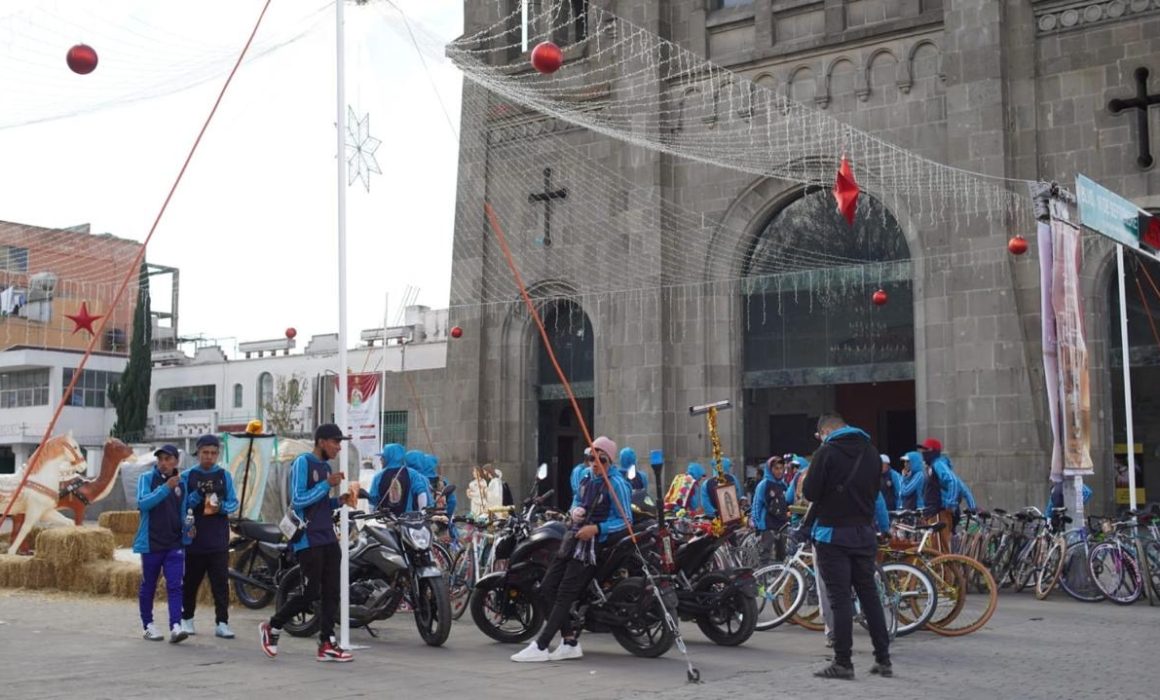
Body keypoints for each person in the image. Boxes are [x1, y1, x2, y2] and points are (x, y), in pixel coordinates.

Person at [511, 436, 631, 663]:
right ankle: (569, 641)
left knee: (566, 593)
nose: (595, 464)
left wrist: (596, 528)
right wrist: (575, 510)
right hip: (571, 538)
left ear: (610, 462)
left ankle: (542, 644)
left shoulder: (617, 484)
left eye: (601, 459)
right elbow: (577, 499)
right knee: (546, 588)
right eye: (591, 458)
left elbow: (626, 520)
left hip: (592, 547)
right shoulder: (586, 477)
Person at [802, 413, 892, 680]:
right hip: (864, 534)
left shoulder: (826, 452)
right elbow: (875, 494)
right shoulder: (872, 452)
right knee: (869, 596)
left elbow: (810, 493)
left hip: (833, 535)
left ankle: (843, 662)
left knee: (840, 598)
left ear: (825, 432)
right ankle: (883, 660)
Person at [260, 423, 356, 662]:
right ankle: (272, 626)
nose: (338, 448)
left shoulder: (324, 467)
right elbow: (299, 499)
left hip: (328, 537)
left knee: (332, 592)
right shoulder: (303, 462)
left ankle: (326, 643)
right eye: (336, 442)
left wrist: (339, 501)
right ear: (322, 441)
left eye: (340, 443)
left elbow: (320, 504)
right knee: (310, 592)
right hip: (308, 538)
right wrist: (327, 484)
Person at [180, 434, 239, 639]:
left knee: (220, 583)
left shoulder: (224, 475)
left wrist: (220, 506)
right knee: (191, 581)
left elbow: (234, 502)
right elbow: (182, 504)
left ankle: (222, 622)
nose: (209, 457)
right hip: (194, 538)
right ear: (198, 453)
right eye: (205, 452)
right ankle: (186, 619)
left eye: (213, 453)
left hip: (218, 538)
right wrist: (196, 496)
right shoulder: (188, 476)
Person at [133, 444, 188, 644]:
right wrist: (166, 488)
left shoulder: (182, 483)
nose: (163, 463)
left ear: (176, 461)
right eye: (160, 459)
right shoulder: (146, 479)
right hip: (151, 543)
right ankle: (148, 625)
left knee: (175, 585)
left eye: (168, 459)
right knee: (149, 585)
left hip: (174, 543)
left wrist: (188, 531)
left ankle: (176, 625)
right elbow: (143, 503)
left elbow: (183, 512)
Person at [917, 438, 958, 553]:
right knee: (935, 547)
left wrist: (950, 503)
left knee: (940, 549)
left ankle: (944, 571)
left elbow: (952, 480)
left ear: (934, 451)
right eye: (922, 450)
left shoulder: (938, 464)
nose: (923, 453)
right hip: (933, 512)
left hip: (939, 512)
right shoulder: (930, 467)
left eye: (926, 450)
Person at [369, 446, 431, 516]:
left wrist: (373, 516)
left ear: (389, 457)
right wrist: (422, 513)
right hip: (406, 520)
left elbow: (372, 501)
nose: (381, 459)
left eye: (383, 457)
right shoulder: (412, 474)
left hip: (384, 521)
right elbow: (421, 493)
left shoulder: (378, 477)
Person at [751, 456, 789, 564]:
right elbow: (756, 503)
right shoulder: (764, 484)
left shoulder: (782, 484)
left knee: (781, 554)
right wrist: (756, 522)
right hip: (768, 524)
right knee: (765, 553)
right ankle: (762, 578)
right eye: (776, 468)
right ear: (769, 469)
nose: (779, 471)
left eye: (781, 468)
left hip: (782, 524)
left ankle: (779, 578)